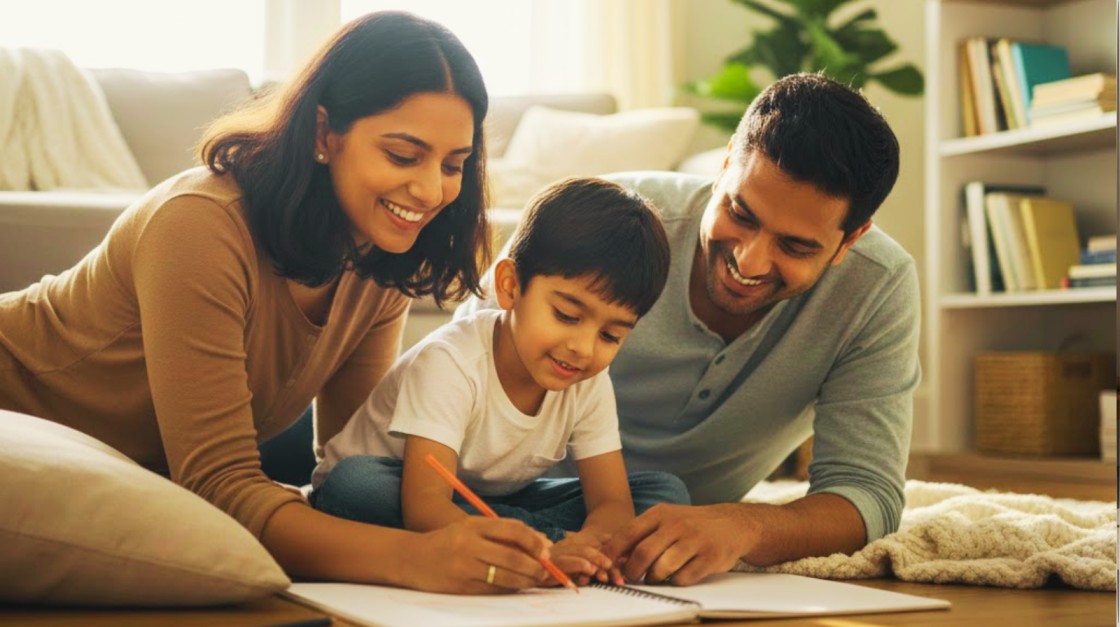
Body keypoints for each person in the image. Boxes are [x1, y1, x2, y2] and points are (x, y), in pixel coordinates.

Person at [0, 11, 558, 594]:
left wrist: (527, 535)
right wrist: (415, 559)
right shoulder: (199, 224)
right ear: (323, 134)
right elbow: (219, 482)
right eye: (401, 155)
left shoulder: (383, 253)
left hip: (150, 456)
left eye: (453, 165)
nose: (431, 191)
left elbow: (352, 462)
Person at [457, 73, 920, 586]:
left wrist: (743, 526)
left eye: (796, 247)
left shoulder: (879, 287)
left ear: (850, 240)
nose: (750, 259)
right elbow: (463, 357)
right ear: (725, 164)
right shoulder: (617, 217)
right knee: (367, 488)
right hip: (496, 491)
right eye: (740, 213)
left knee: (667, 494)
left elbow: (868, 493)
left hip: (653, 518)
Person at [310, 177, 689, 586]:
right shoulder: (451, 361)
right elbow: (426, 509)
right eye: (566, 315)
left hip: (486, 500)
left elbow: (611, 502)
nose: (583, 348)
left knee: (664, 494)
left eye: (610, 336)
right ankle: (532, 545)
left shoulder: (587, 380)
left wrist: (596, 542)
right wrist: (555, 545)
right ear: (510, 286)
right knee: (356, 485)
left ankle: (520, 540)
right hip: (403, 491)